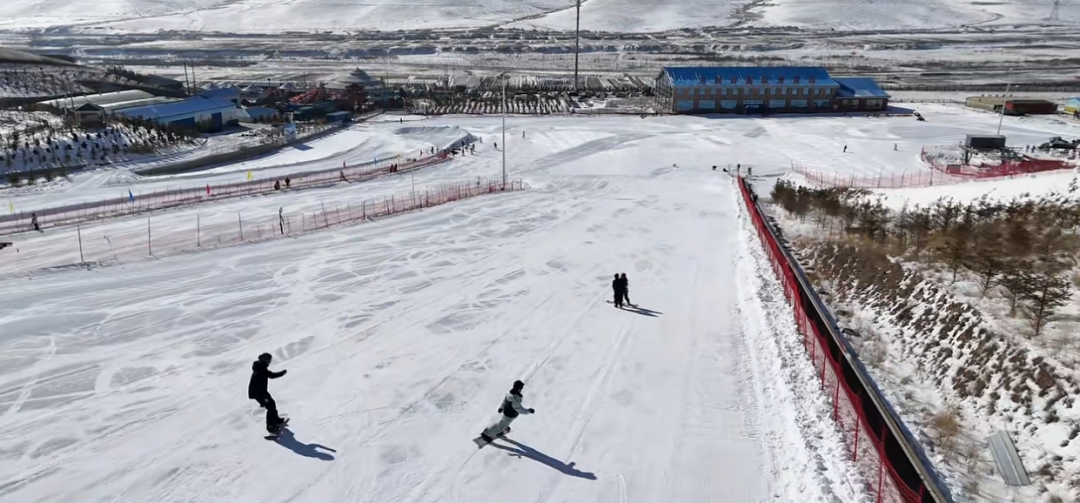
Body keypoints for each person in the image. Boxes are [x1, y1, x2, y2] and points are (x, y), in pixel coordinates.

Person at [248, 353, 288, 434]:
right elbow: (271, 375)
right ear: (265, 360)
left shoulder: (261, 367)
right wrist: (282, 373)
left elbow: (269, 375)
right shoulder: (260, 369)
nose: (269, 362)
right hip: (259, 392)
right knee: (270, 406)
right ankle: (270, 426)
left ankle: (276, 420)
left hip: (261, 391)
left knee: (272, 404)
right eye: (268, 360)